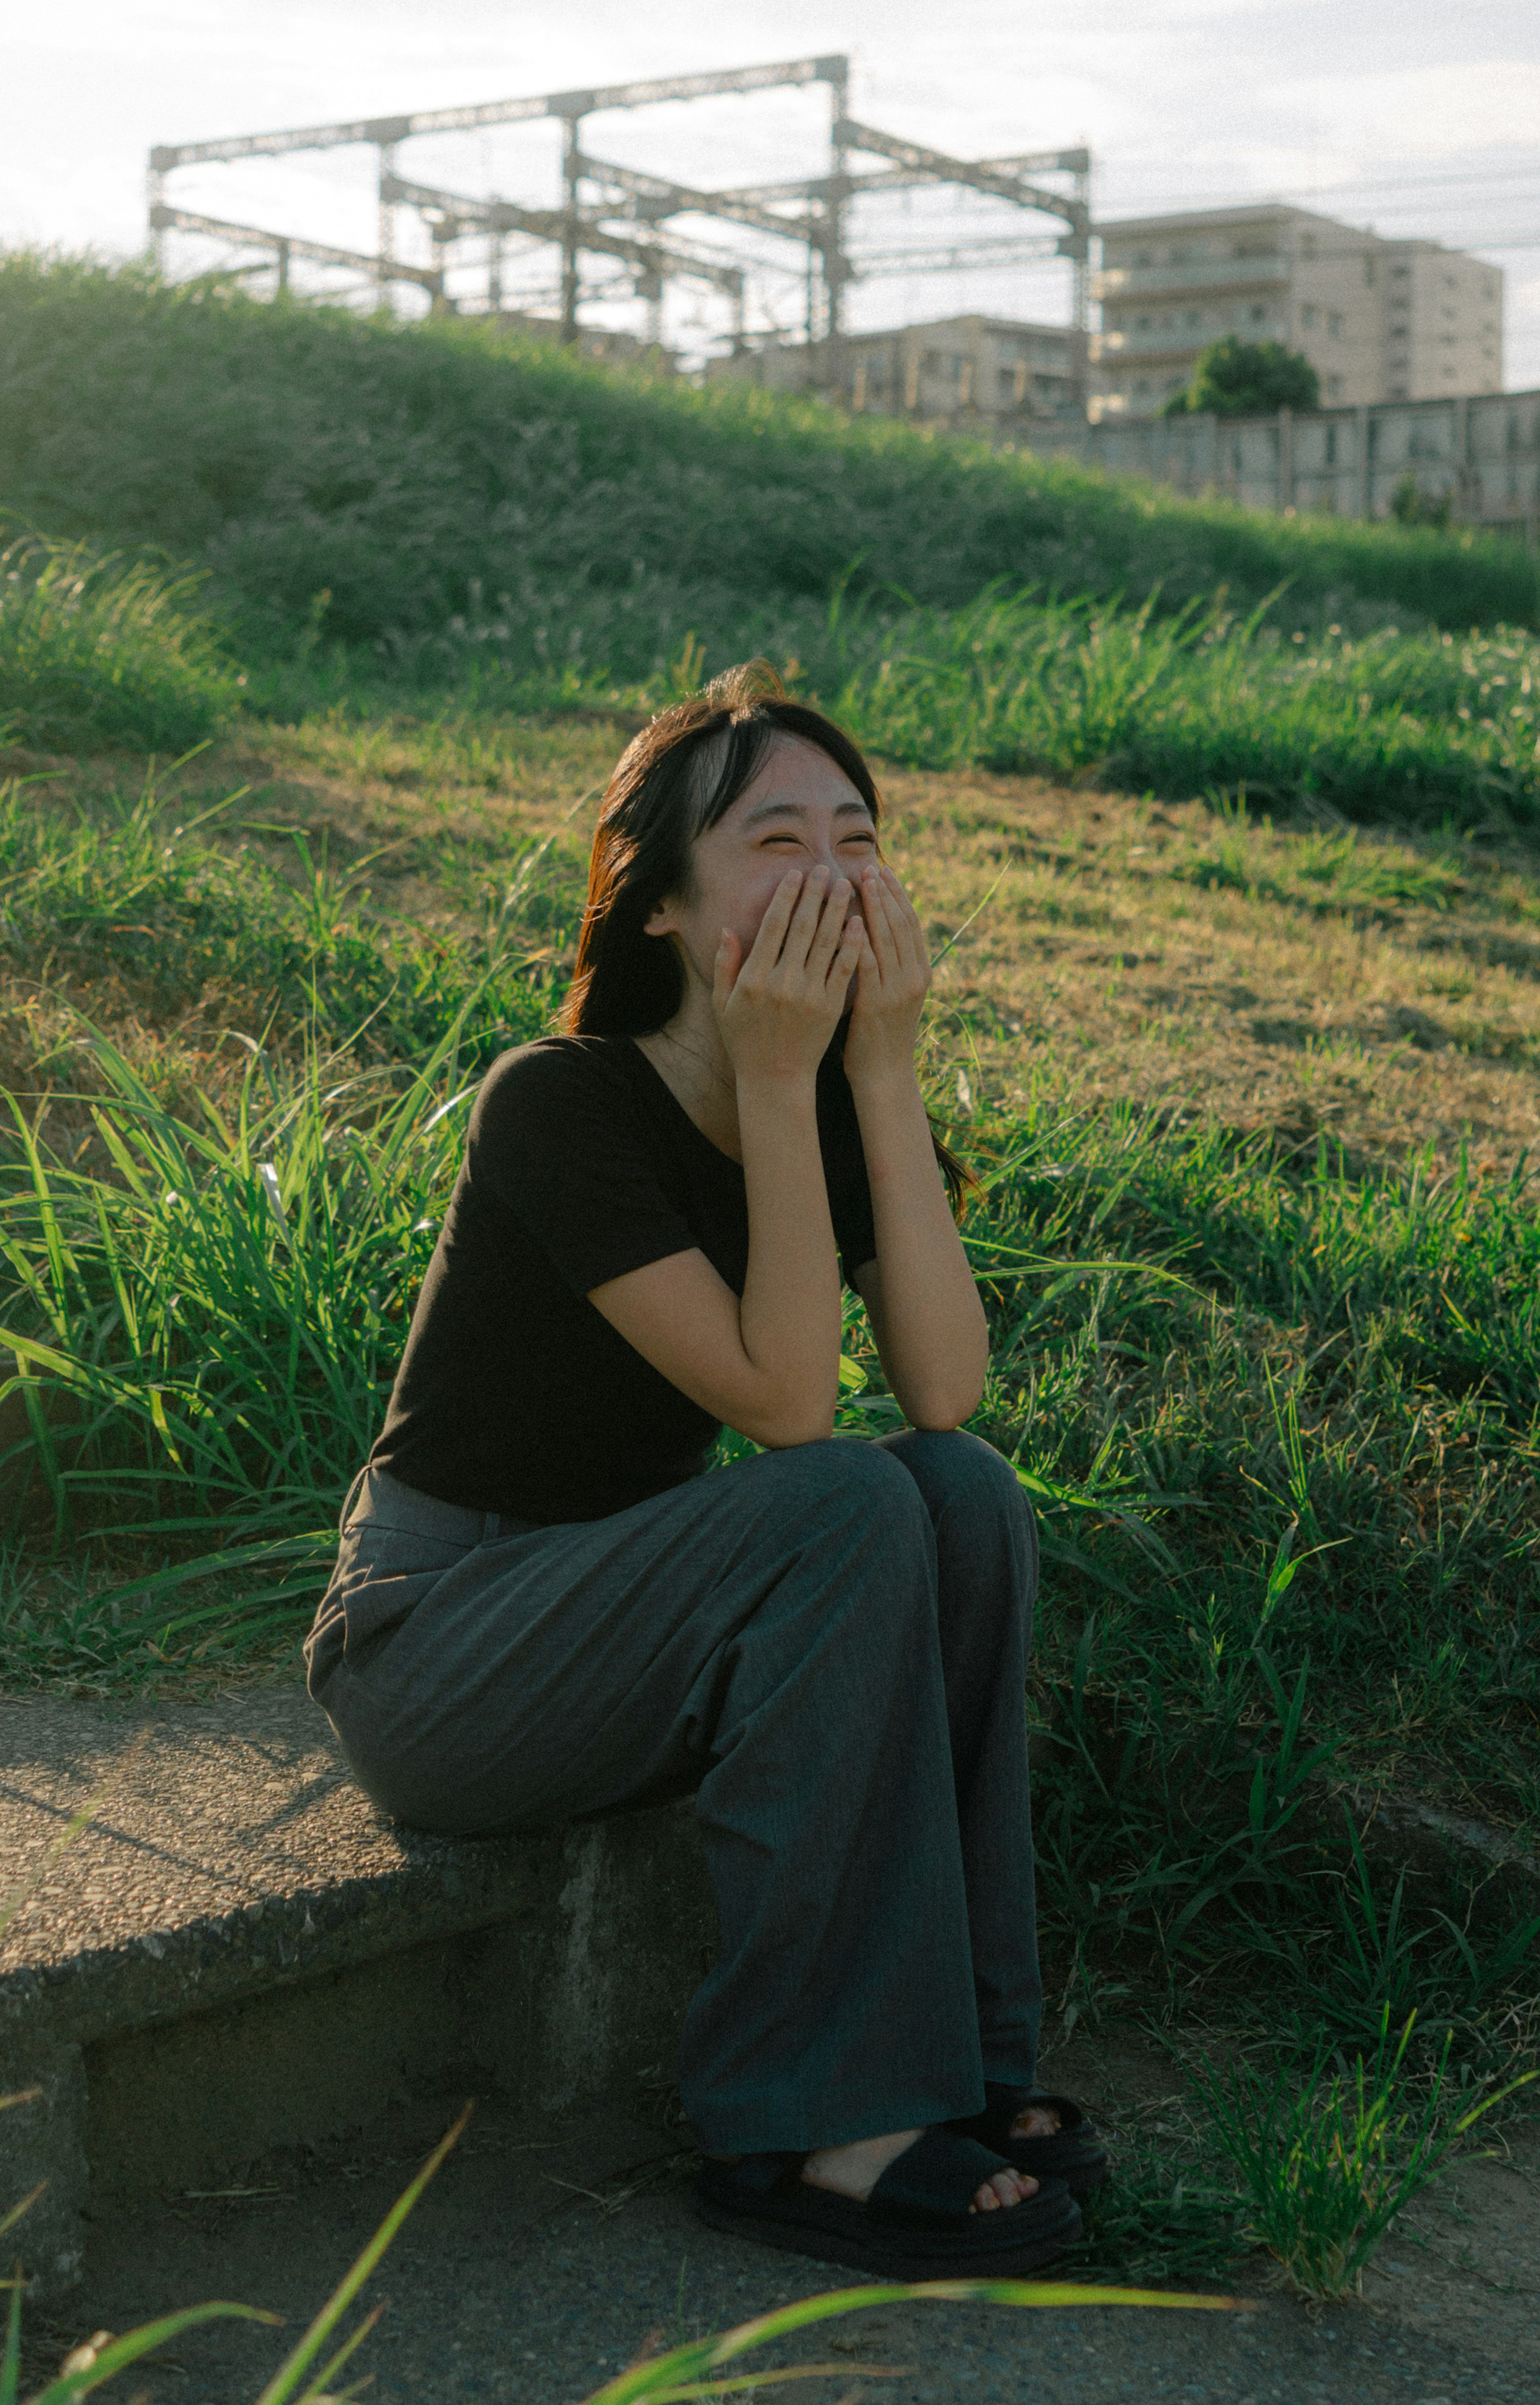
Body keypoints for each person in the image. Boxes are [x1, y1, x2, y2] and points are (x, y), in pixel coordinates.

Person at [305, 663, 1105, 2277]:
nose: (834, 878)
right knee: (841, 1494)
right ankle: (810, 2123)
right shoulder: (558, 1102)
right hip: (445, 1650)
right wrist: (773, 1071)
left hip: (634, 1628)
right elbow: (791, 1409)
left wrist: (879, 1071)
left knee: (961, 1492)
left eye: (860, 840)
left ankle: (963, 2058)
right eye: (777, 841)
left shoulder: (825, 1098)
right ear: (660, 902)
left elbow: (945, 1391)